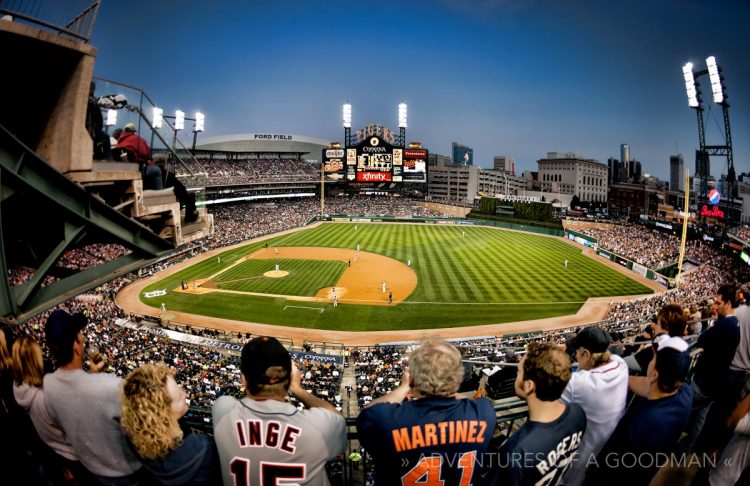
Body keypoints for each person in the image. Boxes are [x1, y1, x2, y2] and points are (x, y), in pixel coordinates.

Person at [357, 339, 496, 485]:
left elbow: (367, 413)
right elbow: (468, 400)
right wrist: (449, 385)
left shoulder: (385, 420)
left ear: (412, 378)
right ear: (458, 376)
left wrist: (404, 387)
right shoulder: (484, 412)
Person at [212, 336, 346, 486]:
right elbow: (336, 417)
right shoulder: (317, 427)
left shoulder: (223, 411)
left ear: (244, 380)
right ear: (289, 378)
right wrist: (297, 389)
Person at [43, 309, 144, 484]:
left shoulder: (48, 385)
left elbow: (77, 399)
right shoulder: (110, 385)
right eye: (80, 335)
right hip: (127, 472)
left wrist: (92, 376)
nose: (83, 339)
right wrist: (97, 379)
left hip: (91, 470)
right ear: (75, 345)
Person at [592, 336, 693, 484]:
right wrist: (622, 377)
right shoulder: (685, 392)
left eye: (653, 359)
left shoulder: (641, 421)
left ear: (654, 374)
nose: (651, 361)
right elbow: (646, 384)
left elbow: (608, 466)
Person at [485, 342, 586, 485]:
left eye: (518, 372)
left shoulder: (516, 451)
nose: (517, 376)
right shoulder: (578, 412)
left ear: (528, 386)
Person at [12, 336, 96, 484]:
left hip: (58, 453)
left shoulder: (18, 387)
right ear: (35, 359)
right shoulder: (43, 397)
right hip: (75, 454)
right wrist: (95, 376)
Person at [120, 363, 220, 485]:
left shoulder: (134, 437)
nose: (184, 394)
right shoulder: (205, 448)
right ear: (164, 413)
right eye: (179, 395)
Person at [560, 326, 628, 485]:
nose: (575, 356)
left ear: (586, 354)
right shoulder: (620, 364)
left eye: (577, 352)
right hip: (609, 452)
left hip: (579, 462)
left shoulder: (577, 383)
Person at [681, 284, 740, 452]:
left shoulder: (725, 325)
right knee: (700, 420)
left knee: (681, 410)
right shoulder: (735, 324)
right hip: (716, 383)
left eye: (718, 303)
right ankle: (683, 450)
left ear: (728, 303)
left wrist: (715, 324)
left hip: (704, 382)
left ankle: (668, 444)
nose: (715, 306)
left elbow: (702, 340)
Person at [115, 123, 162, 190]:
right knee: (156, 170)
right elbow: (147, 155)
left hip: (123, 170)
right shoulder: (138, 139)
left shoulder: (119, 142)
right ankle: (159, 194)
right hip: (137, 170)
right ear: (134, 131)